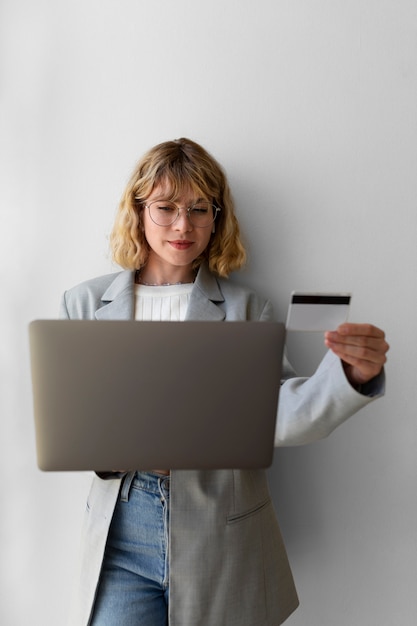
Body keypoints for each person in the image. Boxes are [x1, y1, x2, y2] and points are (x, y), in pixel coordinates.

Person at [61, 138, 389, 626]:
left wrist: (347, 377)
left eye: (199, 208)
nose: (182, 224)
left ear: (217, 217)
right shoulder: (83, 304)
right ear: (138, 210)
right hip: (122, 528)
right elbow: (69, 423)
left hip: (218, 523)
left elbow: (274, 414)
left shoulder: (246, 309)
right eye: (165, 207)